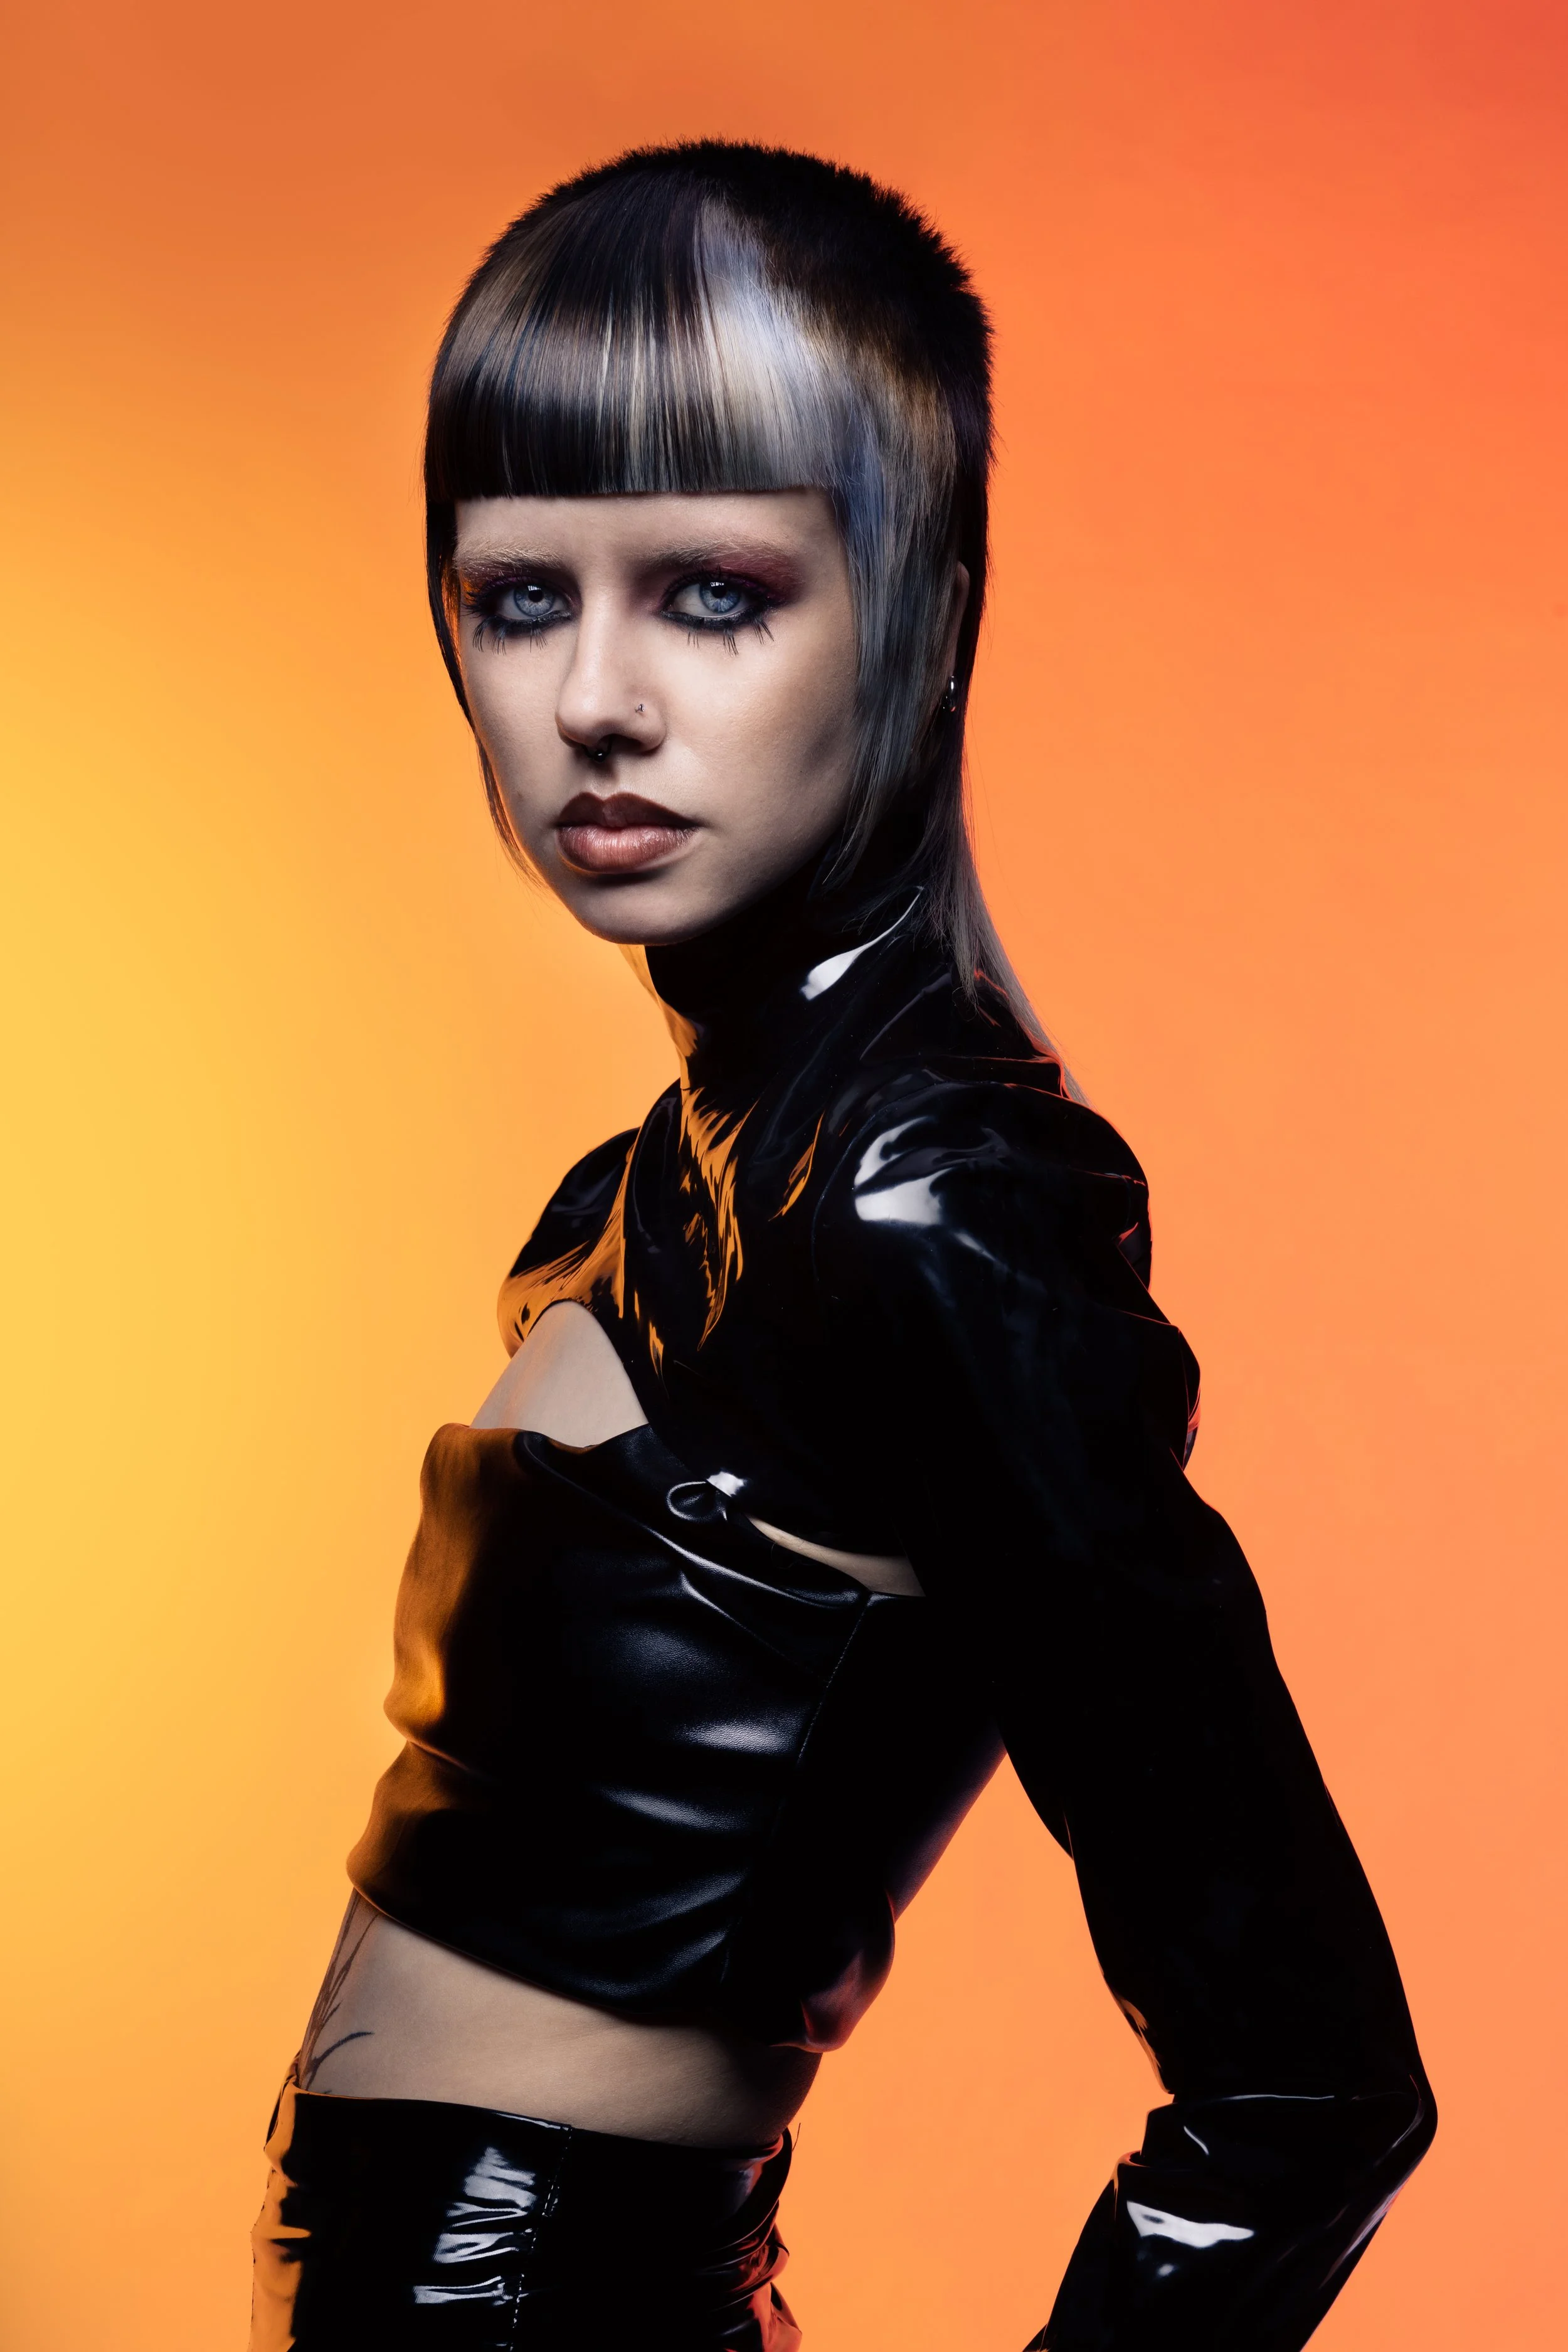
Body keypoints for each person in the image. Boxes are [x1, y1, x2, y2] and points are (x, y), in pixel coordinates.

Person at [250, 141, 1434, 2351]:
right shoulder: (666, 1173)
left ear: (921, 603)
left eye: (711, 592)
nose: (596, 698)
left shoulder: (937, 1202)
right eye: (521, 595)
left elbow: (1305, 2088)